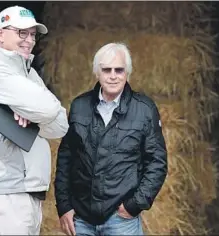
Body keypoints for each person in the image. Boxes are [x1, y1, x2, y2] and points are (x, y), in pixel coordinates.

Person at [0, 5, 69, 235]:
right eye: (22, 33)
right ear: (0, 34)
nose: (29, 40)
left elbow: (60, 124)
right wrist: (38, 111)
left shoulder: (28, 73)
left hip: (23, 190)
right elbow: (49, 109)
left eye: (32, 34)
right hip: (0, 190)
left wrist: (31, 114)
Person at [54, 43, 168, 235]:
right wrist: (64, 205)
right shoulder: (79, 106)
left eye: (119, 70)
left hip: (121, 220)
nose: (113, 76)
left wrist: (134, 205)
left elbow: (157, 163)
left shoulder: (145, 110)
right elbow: (66, 158)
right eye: (106, 70)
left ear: (127, 73)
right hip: (81, 219)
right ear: (97, 73)